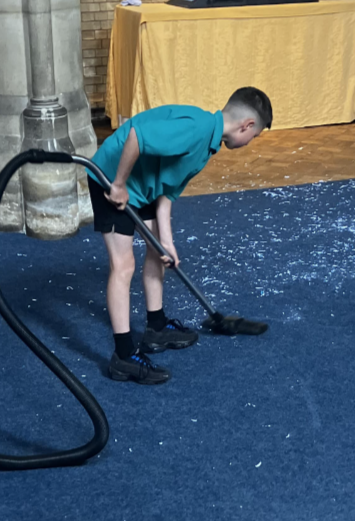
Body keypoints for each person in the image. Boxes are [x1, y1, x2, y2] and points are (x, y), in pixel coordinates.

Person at [86, 87, 273, 385]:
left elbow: (167, 191)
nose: (251, 142)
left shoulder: (207, 144)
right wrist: (118, 184)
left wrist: (168, 242)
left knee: (156, 251)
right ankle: (123, 357)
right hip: (111, 175)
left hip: (143, 182)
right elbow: (136, 136)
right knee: (124, 266)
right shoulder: (195, 129)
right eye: (255, 136)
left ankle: (156, 328)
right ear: (246, 125)